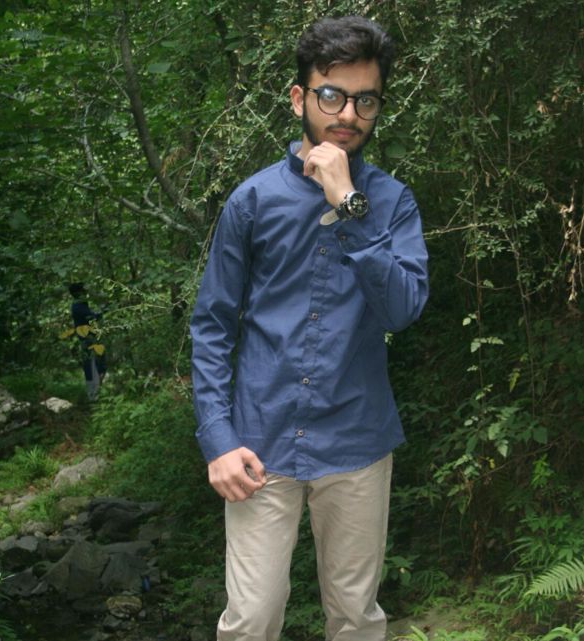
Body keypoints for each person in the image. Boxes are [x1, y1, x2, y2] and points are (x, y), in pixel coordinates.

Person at [190, 15, 429, 641]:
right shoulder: (252, 201)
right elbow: (213, 325)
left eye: (365, 100)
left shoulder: (392, 203)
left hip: (356, 439)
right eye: (332, 95)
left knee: (354, 618)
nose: (348, 114)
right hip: (258, 444)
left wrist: (349, 206)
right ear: (300, 98)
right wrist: (217, 437)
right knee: (250, 621)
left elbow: (403, 310)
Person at [68, 282, 107, 401]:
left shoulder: (81, 304)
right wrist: (104, 310)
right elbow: (91, 316)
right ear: (78, 293)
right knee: (91, 365)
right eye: (83, 291)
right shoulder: (77, 306)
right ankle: (93, 396)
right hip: (87, 340)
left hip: (90, 338)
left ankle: (96, 394)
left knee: (98, 365)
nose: (86, 292)